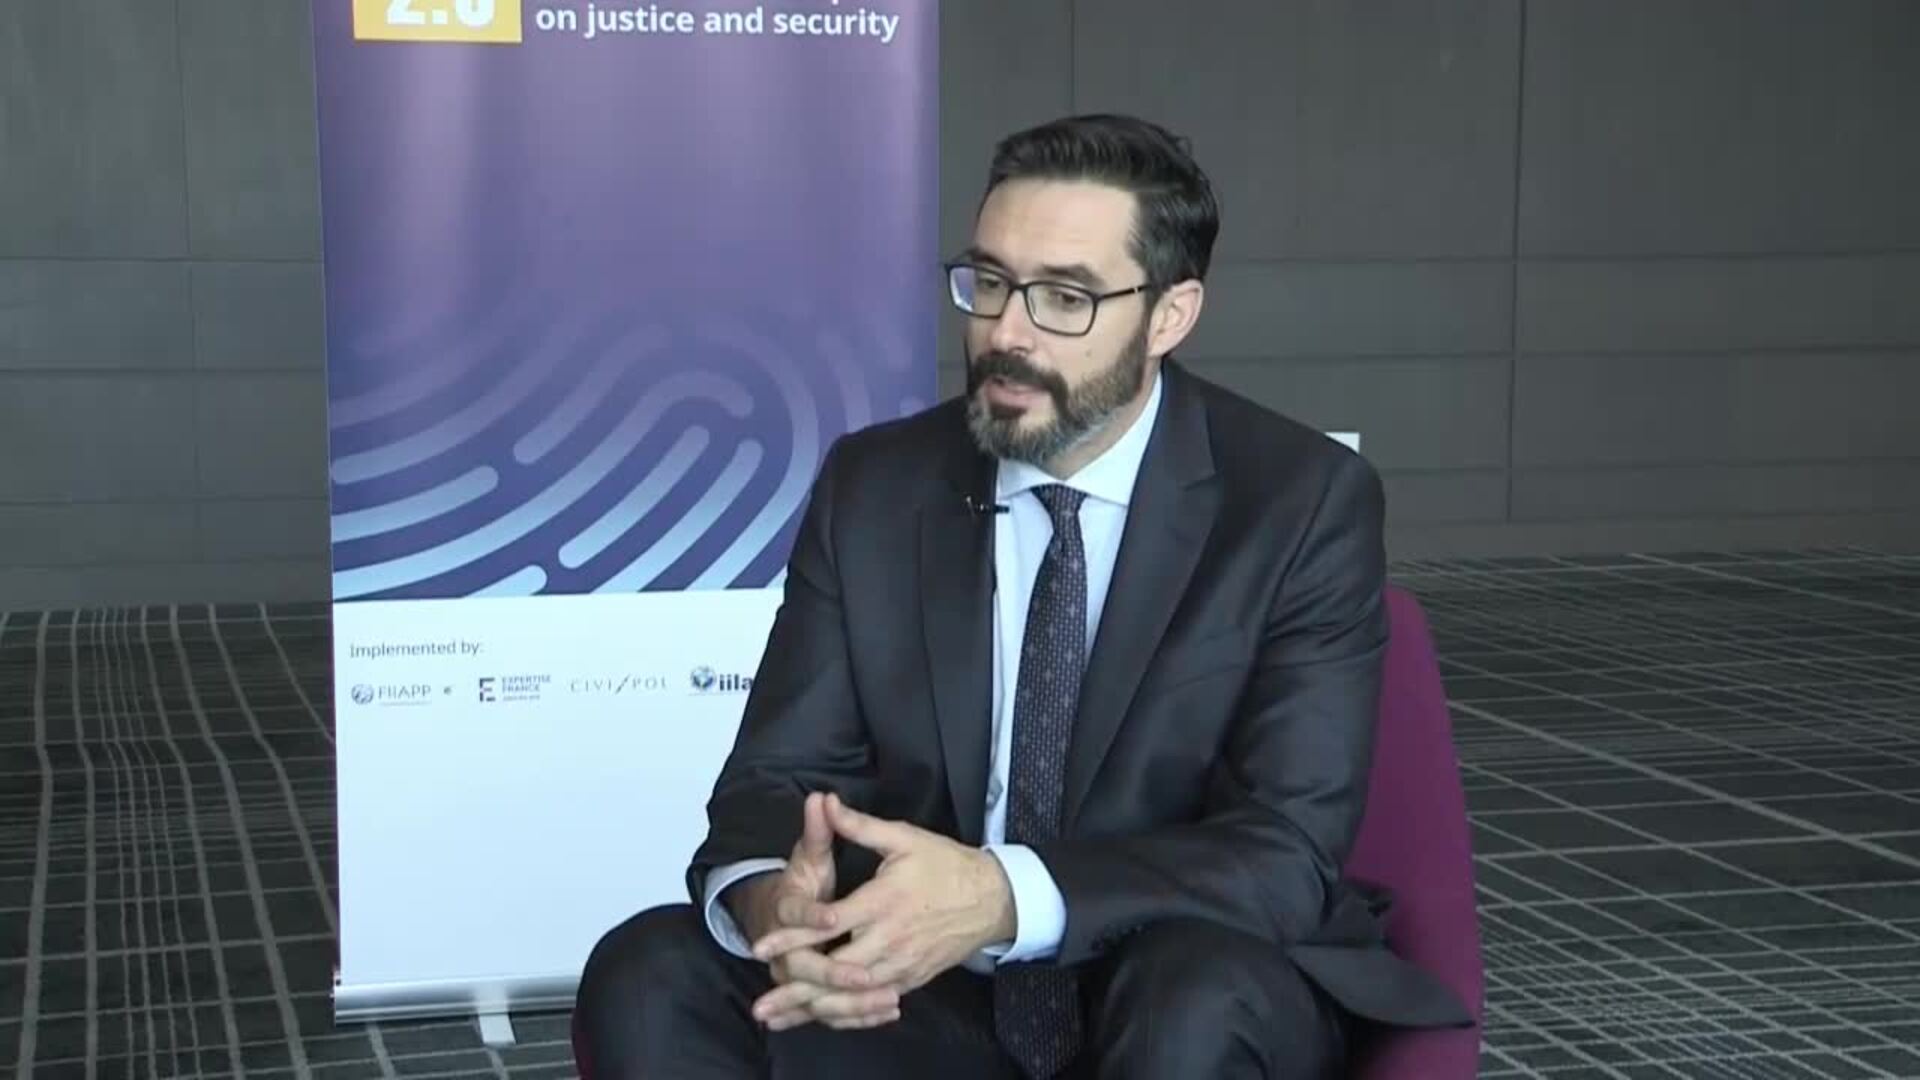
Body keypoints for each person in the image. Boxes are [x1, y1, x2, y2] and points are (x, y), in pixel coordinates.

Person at [572, 113, 1471, 1079]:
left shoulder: (1298, 501)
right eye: (991, 282)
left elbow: (1285, 853)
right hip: (936, 988)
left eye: (1064, 299)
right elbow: (776, 780)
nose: (1006, 332)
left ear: (1169, 316)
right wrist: (778, 908)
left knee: (1189, 1004)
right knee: (648, 972)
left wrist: (1004, 897)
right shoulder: (876, 485)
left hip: (1178, 967)